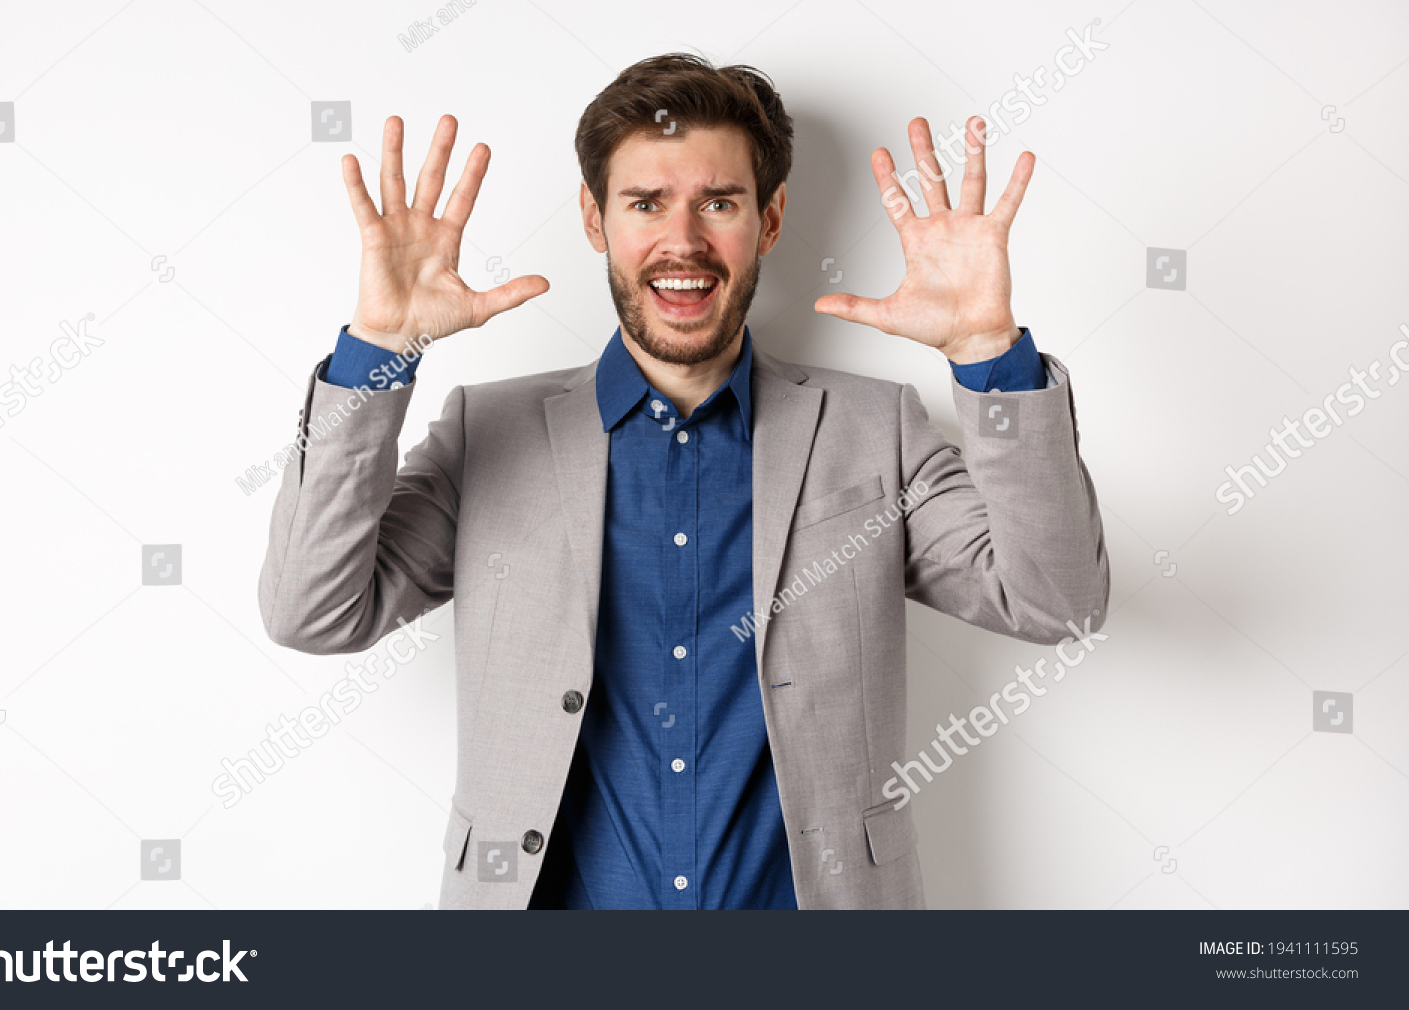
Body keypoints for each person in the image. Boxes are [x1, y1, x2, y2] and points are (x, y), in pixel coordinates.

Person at [258, 53, 1108, 909]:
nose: (684, 240)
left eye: (719, 202)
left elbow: (1057, 600)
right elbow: (312, 611)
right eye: (646, 202)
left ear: (770, 220)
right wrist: (376, 353)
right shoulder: (489, 433)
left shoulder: (873, 431)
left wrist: (990, 357)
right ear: (595, 219)